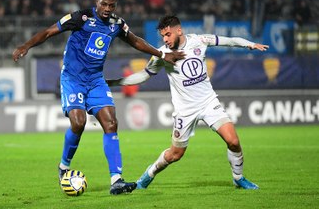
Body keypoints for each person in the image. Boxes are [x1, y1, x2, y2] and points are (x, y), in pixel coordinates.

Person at [12, 0, 185, 195]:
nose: (107, 9)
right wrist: (26, 45)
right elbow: (49, 31)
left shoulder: (116, 24)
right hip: (73, 78)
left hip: (95, 80)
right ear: (97, 2)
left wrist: (161, 54)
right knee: (78, 123)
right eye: (104, 4)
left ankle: (116, 180)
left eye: (111, 5)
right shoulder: (81, 18)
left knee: (111, 123)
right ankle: (63, 167)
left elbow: (136, 41)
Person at [107, 15, 269, 190]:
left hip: (208, 102)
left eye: (168, 34)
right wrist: (115, 83)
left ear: (179, 30)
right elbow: (143, 76)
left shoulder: (199, 41)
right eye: (163, 36)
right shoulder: (162, 54)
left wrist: (249, 44)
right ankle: (148, 174)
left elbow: (228, 41)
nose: (165, 39)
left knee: (234, 142)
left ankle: (238, 178)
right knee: (175, 155)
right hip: (185, 111)